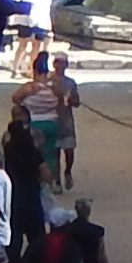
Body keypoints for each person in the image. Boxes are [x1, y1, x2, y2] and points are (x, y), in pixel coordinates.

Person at [13, 52, 66, 193]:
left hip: (35, 122)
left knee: (36, 154)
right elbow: (61, 101)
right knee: (51, 153)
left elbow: (15, 98)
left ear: (34, 70)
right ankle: (53, 182)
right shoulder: (55, 88)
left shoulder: (29, 88)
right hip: (53, 123)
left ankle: (39, 182)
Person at [3, 120, 53, 263]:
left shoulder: (7, 151)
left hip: (12, 199)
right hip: (31, 197)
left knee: (13, 241)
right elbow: (46, 175)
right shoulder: (33, 151)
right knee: (37, 239)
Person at [51, 53, 81, 191]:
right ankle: (57, 181)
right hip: (52, 119)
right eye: (58, 62)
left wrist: (70, 99)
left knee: (69, 151)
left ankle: (68, 172)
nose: (60, 65)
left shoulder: (71, 83)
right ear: (54, 64)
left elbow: (77, 103)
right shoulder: (48, 82)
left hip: (67, 120)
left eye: (63, 62)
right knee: (54, 153)